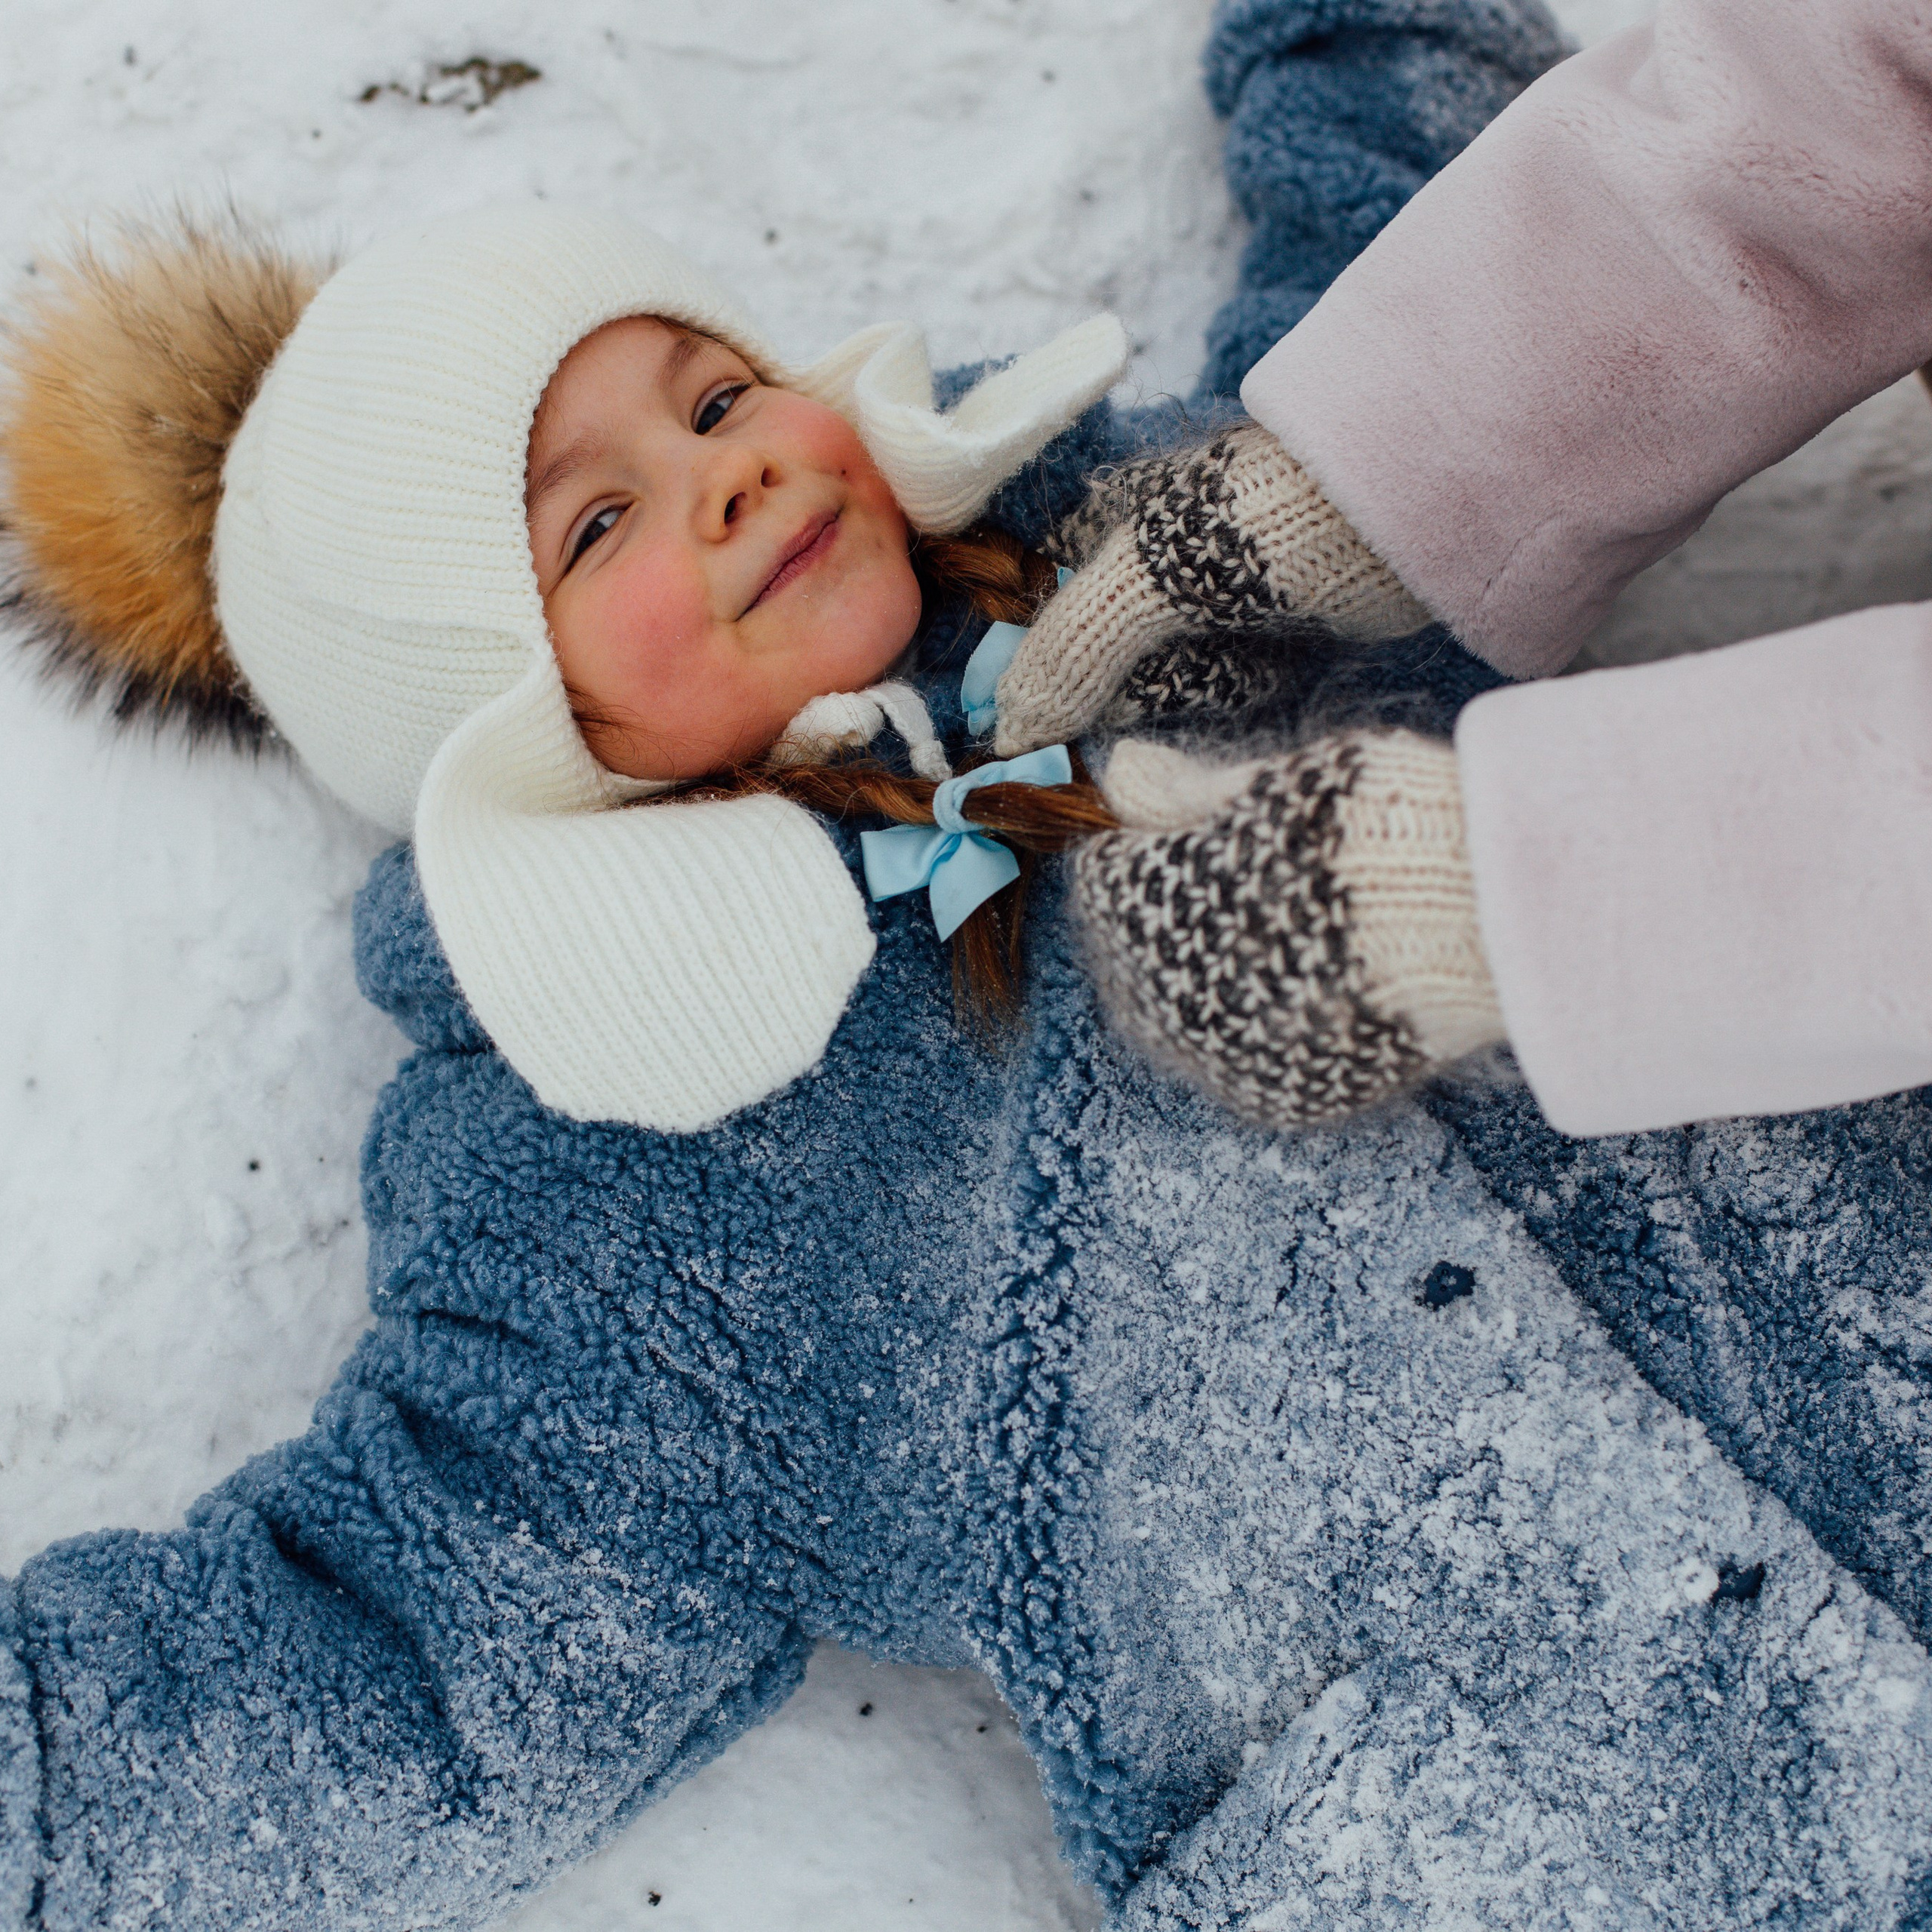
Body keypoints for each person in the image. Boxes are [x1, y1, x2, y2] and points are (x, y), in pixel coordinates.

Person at [5, 5, 1932, 1929]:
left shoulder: (1153, 543)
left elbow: (1441, 284)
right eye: (598, 522)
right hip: (1581, 1830)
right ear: (505, 724)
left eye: (713, 397)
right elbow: (419, 1648)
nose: (726, 476)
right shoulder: (624, 1180)